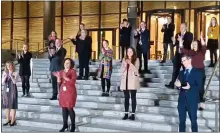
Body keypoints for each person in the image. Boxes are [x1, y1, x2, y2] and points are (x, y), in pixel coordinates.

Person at [175, 55, 202, 132]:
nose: (183, 63)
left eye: (184, 60)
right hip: (182, 100)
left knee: (193, 121)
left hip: (192, 100)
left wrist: (190, 87)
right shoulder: (181, 72)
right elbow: (179, 84)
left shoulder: (197, 72)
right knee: (182, 122)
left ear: (189, 60)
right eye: (182, 61)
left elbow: (199, 87)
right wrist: (178, 85)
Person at [179, 32, 207, 110]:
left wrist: (201, 37)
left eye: (195, 44)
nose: (194, 45)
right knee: (190, 88)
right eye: (193, 44)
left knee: (200, 88)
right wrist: (181, 41)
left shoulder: (202, 52)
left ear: (198, 45)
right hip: (193, 72)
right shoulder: (191, 52)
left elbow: (204, 46)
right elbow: (182, 50)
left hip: (200, 72)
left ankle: (201, 103)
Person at [165, 23, 193, 89]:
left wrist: (181, 41)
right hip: (177, 55)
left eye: (183, 27)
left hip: (185, 56)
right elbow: (174, 45)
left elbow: (188, 43)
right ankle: (172, 84)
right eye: (180, 27)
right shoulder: (177, 34)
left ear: (186, 27)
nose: (181, 28)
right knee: (175, 71)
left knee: (185, 70)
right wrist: (174, 42)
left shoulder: (189, 34)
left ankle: (184, 85)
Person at [53, 58, 77, 132]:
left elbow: (73, 82)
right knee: (64, 108)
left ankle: (73, 125)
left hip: (70, 92)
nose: (66, 64)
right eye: (65, 63)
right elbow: (59, 83)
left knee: (70, 108)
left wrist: (65, 77)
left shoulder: (73, 71)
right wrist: (58, 78)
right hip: (63, 92)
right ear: (63, 64)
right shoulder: (61, 71)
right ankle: (65, 125)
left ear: (71, 64)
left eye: (68, 63)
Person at [120, 47, 140, 121]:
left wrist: (130, 63)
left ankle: (133, 114)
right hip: (125, 81)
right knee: (126, 98)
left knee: (133, 97)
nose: (129, 52)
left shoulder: (136, 59)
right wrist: (125, 65)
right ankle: (126, 114)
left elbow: (136, 70)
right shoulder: (124, 59)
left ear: (133, 52)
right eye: (128, 51)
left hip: (133, 81)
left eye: (130, 51)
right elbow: (121, 70)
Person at [2, 61, 19, 126]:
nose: (8, 67)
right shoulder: (4, 72)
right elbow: (2, 83)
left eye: (9, 65)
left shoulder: (16, 73)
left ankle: (13, 121)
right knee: (6, 106)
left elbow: (15, 82)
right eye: (7, 65)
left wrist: (11, 75)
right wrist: (5, 76)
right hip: (6, 90)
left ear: (12, 65)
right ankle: (8, 120)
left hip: (13, 90)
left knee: (12, 106)